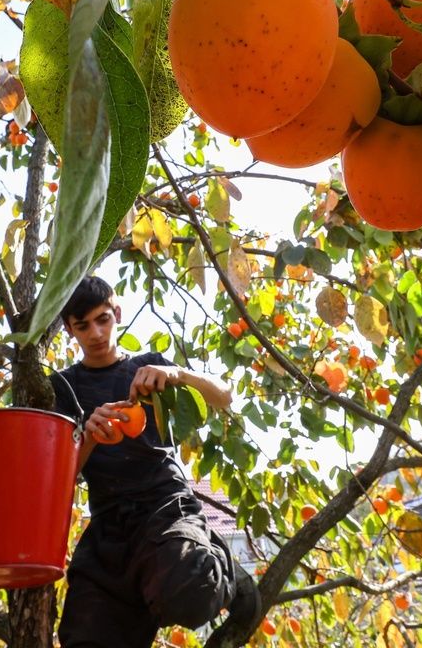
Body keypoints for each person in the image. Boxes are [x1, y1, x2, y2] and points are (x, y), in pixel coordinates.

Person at [50, 276, 260, 647]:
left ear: (117, 313)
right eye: (82, 325)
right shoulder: (63, 388)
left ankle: (226, 571)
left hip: (165, 508)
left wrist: (176, 374)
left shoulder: (149, 367)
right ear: (69, 329)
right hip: (108, 528)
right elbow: (59, 480)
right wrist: (89, 437)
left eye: (103, 319)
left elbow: (224, 396)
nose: (96, 333)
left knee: (189, 594)